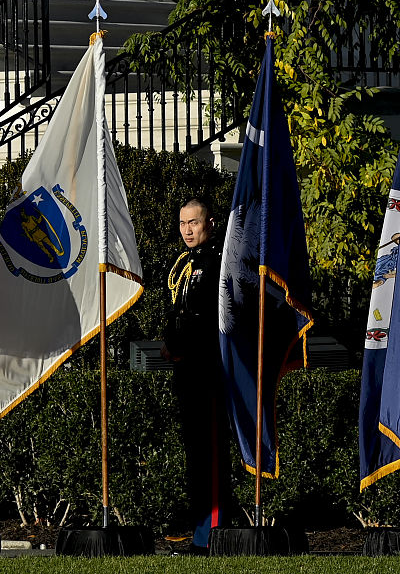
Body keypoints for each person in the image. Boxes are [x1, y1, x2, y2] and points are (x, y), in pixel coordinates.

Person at [163, 195, 235, 554]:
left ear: (210, 224)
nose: (187, 230)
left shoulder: (219, 262)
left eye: (194, 222)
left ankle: (212, 533)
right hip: (187, 369)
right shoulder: (184, 264)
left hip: (209, 370)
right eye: (182, 223)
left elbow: (214, 319)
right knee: (195, 453)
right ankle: (199, 528)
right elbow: (178, 311)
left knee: (210, 453)